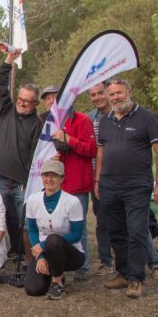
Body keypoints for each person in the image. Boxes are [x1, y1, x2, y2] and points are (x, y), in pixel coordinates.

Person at [96, 78, 158, 300]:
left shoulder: (146, 117)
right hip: (109, 184)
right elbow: (101, 151)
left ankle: (136, 279)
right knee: (115, 231)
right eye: (112, 94)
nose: (116, 97)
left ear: (129, 91)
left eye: (120, 92)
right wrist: (97, 180)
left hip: (136, 185)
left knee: (136, 230)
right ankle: (123, 273)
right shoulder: (106, 120)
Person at [0, 44, 42, 264]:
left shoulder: (37, 123)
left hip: (21, 183)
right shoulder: (7, 110)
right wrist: (8, 60)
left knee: (24, 220)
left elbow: (37, 154)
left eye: (27, 101)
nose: (22, 103)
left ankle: (26, 256)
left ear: (35, 103)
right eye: (20, 98)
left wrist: (30, 182)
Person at [41, 86, 97, 282]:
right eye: (48, 99)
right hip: (54, 185)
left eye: (55, 98)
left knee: (78, 228)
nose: (52, 103)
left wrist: (69, 140)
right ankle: (58, 266)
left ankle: (83, 268)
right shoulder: (47, 123)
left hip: (76, 184)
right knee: (55, 227)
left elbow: (91, 150)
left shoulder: (82, 120)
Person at [24, 160, 86, 300]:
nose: (49, 179)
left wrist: (43, 245)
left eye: (54, 175)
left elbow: (76, 235)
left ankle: (57, 283)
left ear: (62, 178)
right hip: (43, 251)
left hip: (70, 253)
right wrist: (40, 257)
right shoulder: (33, 200)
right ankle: (54, 273)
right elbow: (32, 231)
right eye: (46, 175)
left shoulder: (72, 202)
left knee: (53, 239)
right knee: (33, 289)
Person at [86, 82, 114, 274]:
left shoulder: (121, 115)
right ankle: (106, 260)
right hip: (96, 178)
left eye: (100, 93)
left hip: (120, 176)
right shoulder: (90, 118)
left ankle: (152, 260)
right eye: (93, 95)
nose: (97, 97)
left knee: (132, 221)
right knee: (102, 220)